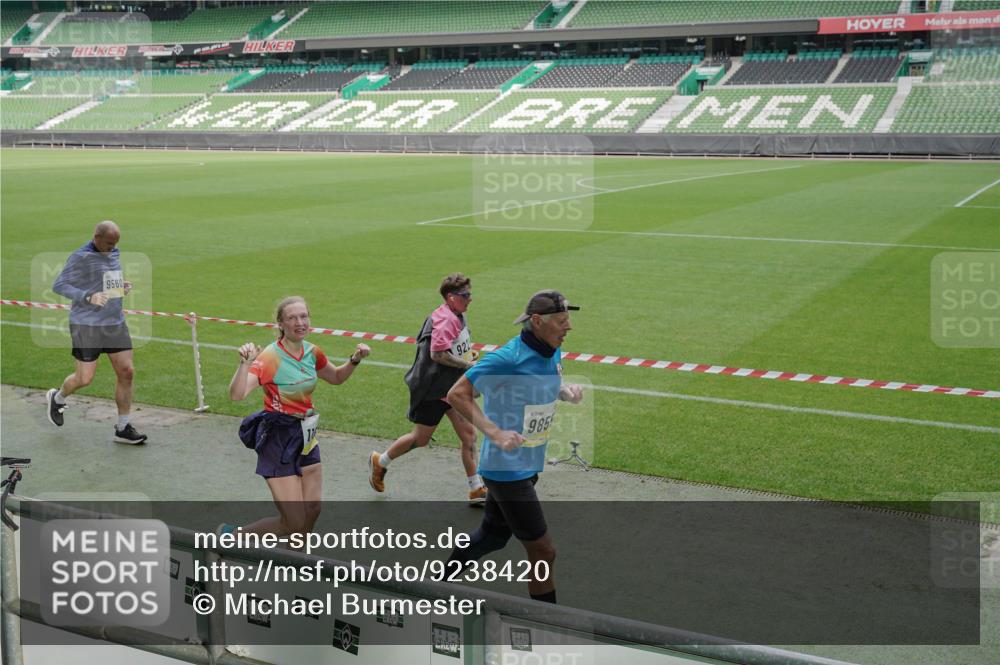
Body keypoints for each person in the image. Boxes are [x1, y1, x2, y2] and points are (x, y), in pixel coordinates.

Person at [445, 290, 583, 604]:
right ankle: (545, 624)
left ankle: (435, 584)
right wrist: (494, 433)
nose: (569, 327)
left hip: (528, 460)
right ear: (537, 321)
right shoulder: (508, 357)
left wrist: (563, 391)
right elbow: (457, 394)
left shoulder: (552, 349)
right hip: (506, 469)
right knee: (543, 551)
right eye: (562, 321)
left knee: (493, 536)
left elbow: (537, 383)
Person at [227, 296, 370, 538]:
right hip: (278, 438)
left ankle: (296, 560)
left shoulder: (312, 352)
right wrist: (244, 364)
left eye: (303, 316)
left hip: (306, 434)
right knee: (293, 522)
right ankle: (230, 537)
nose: (299, 322)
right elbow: (237, 394)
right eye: (292, 318)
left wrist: (354, 360)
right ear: (281, 324)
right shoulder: (270, 357)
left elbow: (335, 377)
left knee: (313, 509)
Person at [368, 273, 486, 502]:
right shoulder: (445, 320)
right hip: (434, 390)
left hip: (452, 389)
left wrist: (466, 355)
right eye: (466, 295)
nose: (470, 299)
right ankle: (379, 462)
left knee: (469, 436)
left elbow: (453, 348)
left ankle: (476, 488)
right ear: (451, 298)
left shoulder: (457, 314)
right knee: (420, 439)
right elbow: (438, 354)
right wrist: (468, 364)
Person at [45, 221, 146, 444]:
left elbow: (105, 281)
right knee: (84, 378)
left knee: (127, 372)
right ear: (96, 237)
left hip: (114, 322)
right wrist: (87, 297)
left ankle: (122, 428)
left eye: (115, 244)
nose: (111, 248)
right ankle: (58, 397)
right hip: (86, 324)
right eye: (108, 244)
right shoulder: (80, 257)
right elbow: (59, 285)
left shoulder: (113, 251)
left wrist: (121, 288)